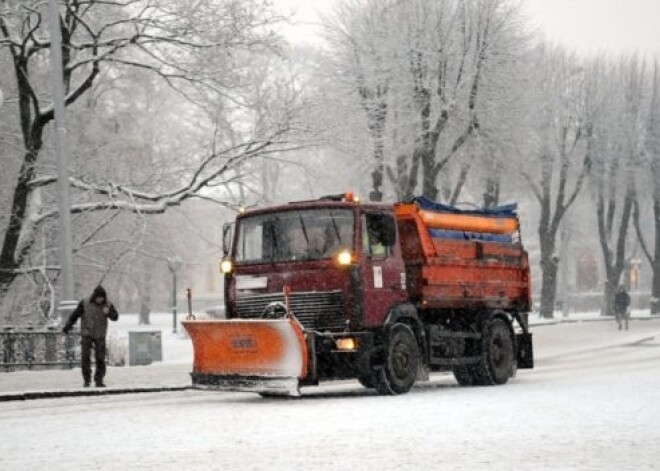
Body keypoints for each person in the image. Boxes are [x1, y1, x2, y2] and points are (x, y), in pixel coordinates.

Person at [63, 285, 119, 387]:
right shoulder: (85, 303)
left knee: (100, 358)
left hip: (100, 334)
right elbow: (75, 315)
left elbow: (115, 317)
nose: (100, 300)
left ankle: (99, 380)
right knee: (85, 358)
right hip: (86, 334)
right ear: (94, 296)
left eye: (102, 298)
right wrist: (68, 325)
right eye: (98, 298)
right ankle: (87, 380)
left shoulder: (107, 304)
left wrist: (109, 312)